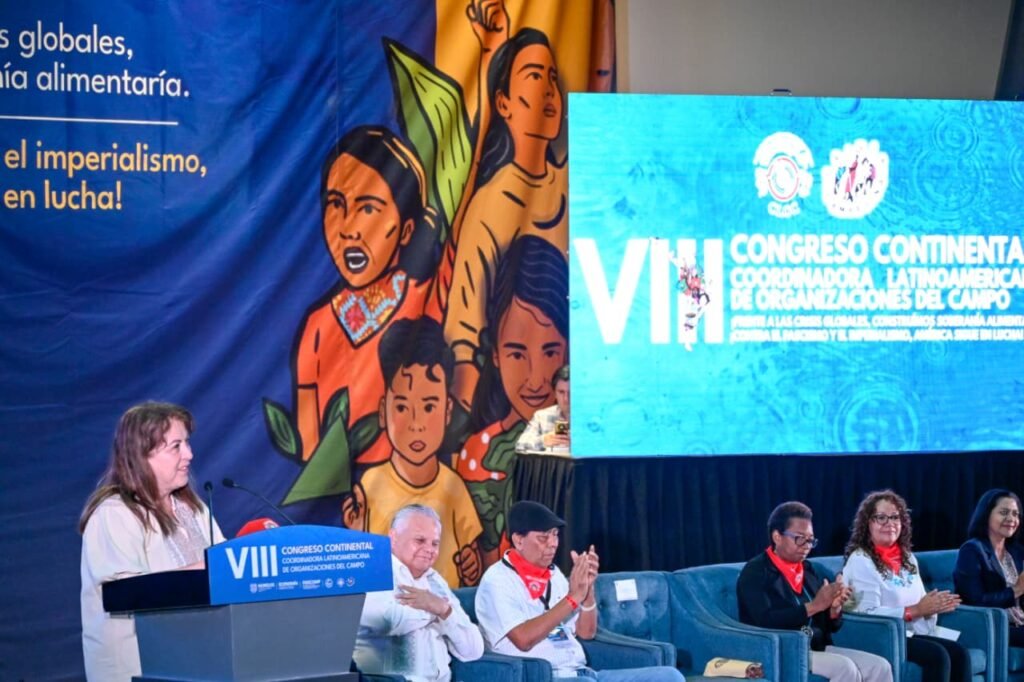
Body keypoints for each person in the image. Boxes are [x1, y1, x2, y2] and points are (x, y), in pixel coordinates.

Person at [293, 125, 441, 465]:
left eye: (369, 208)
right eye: (336, 204)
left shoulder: (431, 302)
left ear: (407, 229)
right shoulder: (317, 328)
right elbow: (309, 453)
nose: (349, 228)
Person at [444, 27, 568, 411]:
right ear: (503, 103)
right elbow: (464, 337)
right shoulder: (490, 205)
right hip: (507, 407)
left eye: (553, 78)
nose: (549, 91)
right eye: (534, 76)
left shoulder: (575, 181)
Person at [79, 402, 225, 682]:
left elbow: (225, 567)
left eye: (187, 443)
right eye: (176, 446)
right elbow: (125, 594)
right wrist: (205, 568)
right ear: (142, 455)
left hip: (198, 661)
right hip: (139, 668)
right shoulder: (114, 514)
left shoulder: (194, 508)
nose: (189, 454)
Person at [342, 317, 483, 586]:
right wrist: (356, 532)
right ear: (383, 411)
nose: (416, 424)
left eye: (429, 407)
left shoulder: (453, 486)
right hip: (390, 599)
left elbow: (470, 558)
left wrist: (470, 566)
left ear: (447, 411)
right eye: (402, 407)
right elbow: (362, 561)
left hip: (441, 600)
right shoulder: (370, 484)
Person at [474, 501, 684, 681]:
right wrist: (572, 598)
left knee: (669, 676)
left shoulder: (553, 574)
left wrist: (587, 591)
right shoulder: (497, 580)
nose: (553, 544)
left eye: (555, 535)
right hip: (547, 676)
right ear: (519, 540)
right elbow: (523, 639)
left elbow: (586, 632)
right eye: (543, 538)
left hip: (583, 672)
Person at [454, 235, 568, 566]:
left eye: (550, 352)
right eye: (517, 354)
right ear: (495, 354)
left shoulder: (581, 430)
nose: (535, 379)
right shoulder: (480, 453)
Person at [736, 501, 892, 682]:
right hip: (781, 651)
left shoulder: (808, 569)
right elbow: (764, 621)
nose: (806, 545)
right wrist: (815, 606)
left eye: (810, 540)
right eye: (799, 538)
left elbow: (827, 626)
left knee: (880, 666)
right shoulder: (756, 572)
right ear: (777, 536)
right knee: (845, 668)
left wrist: (833, 609)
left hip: (816, 647)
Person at [842, 490, 971, 682]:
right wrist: (916, 610)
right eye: (881, 517)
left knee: (959, 653)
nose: (889, 523)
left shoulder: (907, 558)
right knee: (938, 656)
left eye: (895, 517)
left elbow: (922, 602)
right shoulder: (861, 560)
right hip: (879, 636)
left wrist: (934, 606)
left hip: (909, 633)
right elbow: (867, 613)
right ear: (867, 523)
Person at [354, 504, 484, 681]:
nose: (430, 549)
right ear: (393, 537)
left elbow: (473, 650)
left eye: (435, 543)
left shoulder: (435, 580)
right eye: (420, 540)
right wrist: (435, 611)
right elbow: (388, 621)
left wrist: (446, 611)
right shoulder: (374, 571)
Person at [954, 488, 1024, 646]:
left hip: (1019, 621)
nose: (1011, 519)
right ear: (986, 515)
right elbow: (975, 600)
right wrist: (1017, 589)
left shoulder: (1017, 551)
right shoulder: (972, 550)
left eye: (1015, 514)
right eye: (1004, 512)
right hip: (992, 625)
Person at [516, 364, 570, 452]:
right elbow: (520, 445)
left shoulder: (590, 418)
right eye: (561, 392)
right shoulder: (541, 416)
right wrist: (543, 441)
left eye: (570, 392)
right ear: (555, 394)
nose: (566, 399)